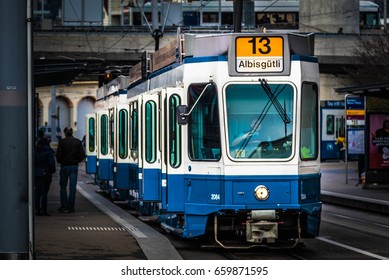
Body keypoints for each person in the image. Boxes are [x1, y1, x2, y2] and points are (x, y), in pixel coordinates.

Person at [56, 127, 86, 213]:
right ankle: (71, 207)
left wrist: (61, 161)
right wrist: (77, 161)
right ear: (72, 132)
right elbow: (82, 155)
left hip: (64, 166)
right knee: (72, 188)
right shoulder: (77, 142)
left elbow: (58, 155)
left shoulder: (62, 142)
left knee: (63, 186)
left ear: (65, 133)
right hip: (74, 166)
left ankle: (64, 206)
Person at [35, 129, 56, 216]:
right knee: (44, 193)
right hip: (46, 173)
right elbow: (51, 162)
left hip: (37, 173)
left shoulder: (35, 150)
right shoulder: (49, 151)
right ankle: (44, 210)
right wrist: (52, 170)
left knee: (37, 193)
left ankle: (37, 210)